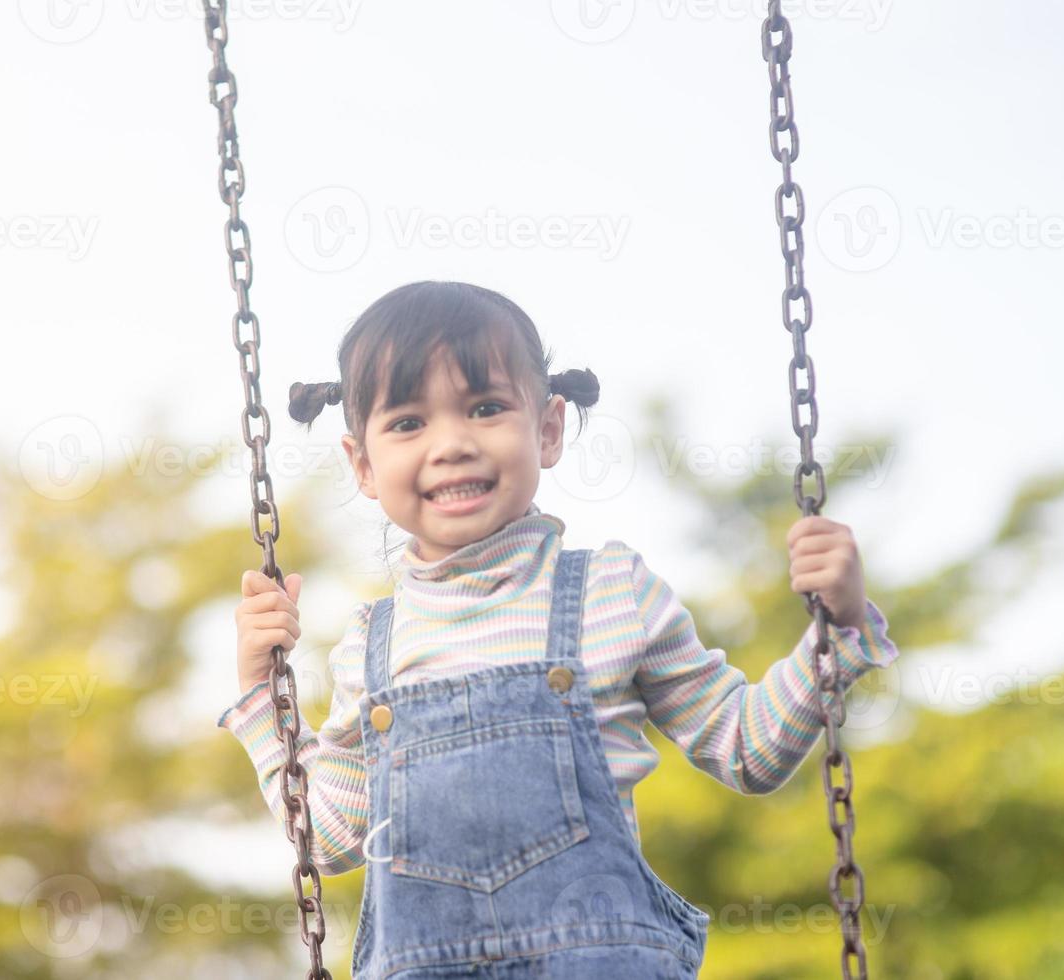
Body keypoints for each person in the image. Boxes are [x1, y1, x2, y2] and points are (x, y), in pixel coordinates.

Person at [217, 280, 899, 978]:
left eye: (485, 408)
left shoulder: (610, 592)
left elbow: (746, 747)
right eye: (408, 422)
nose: (451, 444)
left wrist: (836, 629)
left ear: (546, 430)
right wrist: (259, 694)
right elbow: (329, 837)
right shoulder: (371, 645)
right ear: (362, 463)